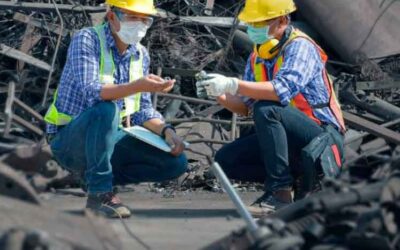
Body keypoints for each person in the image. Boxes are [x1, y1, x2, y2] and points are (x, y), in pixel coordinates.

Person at [196, 0, 345, 217]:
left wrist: (232, 84)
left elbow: (280, 90)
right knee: (227, 159)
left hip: (321, 138)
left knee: (267, 109)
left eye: (260, 23)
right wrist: (218, 93)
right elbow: (245, 107)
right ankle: (300, 179)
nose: (253, 29)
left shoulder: (300, 46)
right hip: (290, 140)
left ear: (283, 20)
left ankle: (279, 194)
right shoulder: (258, 56)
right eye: (251, 23)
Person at [44, 0, 188, 218]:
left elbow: (142, 111)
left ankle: (95, 179)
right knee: (106, 110)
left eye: (145, 20)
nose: (139, 25)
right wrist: (138, 85)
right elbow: (93, 91)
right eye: (132, 17)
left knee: (175, 163)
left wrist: (167, 131)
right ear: (112, 17)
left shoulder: (140, 54)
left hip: (108, 141)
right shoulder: (87, 39)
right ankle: (100, 194)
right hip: (69, 141)